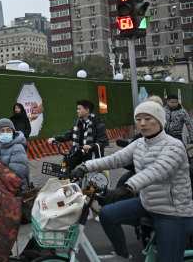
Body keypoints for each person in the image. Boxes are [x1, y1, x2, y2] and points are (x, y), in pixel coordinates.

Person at [70, 101, 193, 261]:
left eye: (148, 118)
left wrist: (127, 188)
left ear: (160, 120)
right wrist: (84, 167)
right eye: (139, 119)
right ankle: (122, 255)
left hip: (173, 213)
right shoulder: (140, 143)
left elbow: (156, 170)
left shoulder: (174, 146)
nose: (142, 123)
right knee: (107, 214)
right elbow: (115, 159)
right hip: (147, 203)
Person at [47, 99, 108, 170]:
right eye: (77, 109)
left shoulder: (98, 124)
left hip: (92, 154)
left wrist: (91, 146)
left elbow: (102, 142)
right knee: (65, 168)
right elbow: (68, 135)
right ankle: (65, 180)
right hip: (78, 151)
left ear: (87, 111)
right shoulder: (77, 123)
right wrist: (55, 138)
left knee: (90, 175)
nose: (77, 111)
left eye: (79, 109)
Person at [0, 118, 30, 191]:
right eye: (2, 130)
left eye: (9, 130)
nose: (5, 133)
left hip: (17, 187)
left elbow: (16, 174)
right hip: (2, 184)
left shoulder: (18, 148)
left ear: (13, 133)